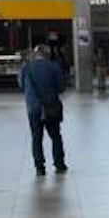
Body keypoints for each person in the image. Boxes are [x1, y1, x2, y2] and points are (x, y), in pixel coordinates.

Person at [19, 43, 68, 176]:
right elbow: (61, 87)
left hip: (34, 109)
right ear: (47, 54)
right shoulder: (54, 66)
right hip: (51, 107)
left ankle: (39, 167)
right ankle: (59, 163)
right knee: (55, 136)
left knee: (36, 138)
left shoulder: (26, 67)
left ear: (35, 54)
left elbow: (21, 86)